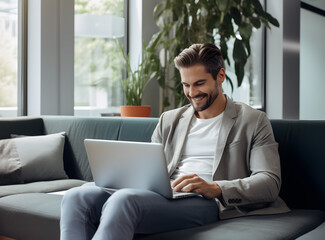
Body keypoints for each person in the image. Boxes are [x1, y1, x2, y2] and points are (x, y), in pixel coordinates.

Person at [60, 43, 289, 240]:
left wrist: (215, 187)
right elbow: (147, 168)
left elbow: (269, 182)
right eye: (185, 85)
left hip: (207, 200)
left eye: (199, 83)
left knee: (125, 200)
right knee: (77, 195)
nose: (192, 93)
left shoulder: (253, 120)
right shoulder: (170, 119)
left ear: (220, 76)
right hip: (164, 191)